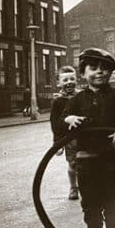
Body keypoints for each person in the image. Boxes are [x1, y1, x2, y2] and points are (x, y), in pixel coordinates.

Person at [62, 48, 115, 228]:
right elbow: (63, 118)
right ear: (83, 73)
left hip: (112, 158)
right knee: (90, 200)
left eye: (104, 69)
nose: (99, 72)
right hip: (87, 159)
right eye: (93, 68)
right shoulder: (77, 99)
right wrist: (68, 119)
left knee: (114, 199)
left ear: (110, 73)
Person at [50, 66, 79, 200]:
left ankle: (86, 187)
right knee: (72, 163)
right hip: (69, 138)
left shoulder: (81, 96)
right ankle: (73, 187)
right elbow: (55, 124)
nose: (69, 82)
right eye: (65, 80)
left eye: (72, 79)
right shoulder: (58, 102)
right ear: (59, 83)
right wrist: (57, 142)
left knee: (86, 162)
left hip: (84, 136)